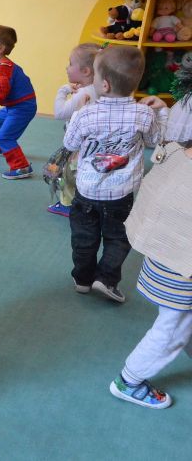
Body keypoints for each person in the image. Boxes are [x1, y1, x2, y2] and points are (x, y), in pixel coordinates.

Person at [63, 45, 168, 303]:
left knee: (84, 238)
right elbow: (155, 139)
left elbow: (70, 143)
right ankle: (106, 279)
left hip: (86, 192)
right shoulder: (143, 113)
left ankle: (82, 279)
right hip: (121, 194)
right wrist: (162, 110)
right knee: (119, 238)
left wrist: (78, 115)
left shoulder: (85, 114)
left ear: (105, 85)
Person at [108, 101, 192, 409]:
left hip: (164, 259)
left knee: (181, 322)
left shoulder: (177, 155)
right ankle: (129, 380)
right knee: (173, 328)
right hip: (180, 271)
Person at [0, 25, 38, 179]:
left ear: (0, 48)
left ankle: (22, 167)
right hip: (14, 105)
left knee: (5, 136)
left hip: (22, 107)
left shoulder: (4, 68)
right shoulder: (1, 66)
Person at [47, 43, 100, 217]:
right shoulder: (100, 89)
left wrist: (63, 90)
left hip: (78, 145)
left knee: (69, 174)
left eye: (70, 63)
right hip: (96, 144)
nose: (67, 67)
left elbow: (59, 113)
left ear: (85, 71)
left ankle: (67, 205)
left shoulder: (83, 93)